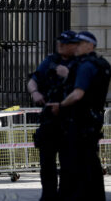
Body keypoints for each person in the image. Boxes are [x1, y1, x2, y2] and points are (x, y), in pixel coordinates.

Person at [48, 31, 111, 201]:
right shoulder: (101, 64)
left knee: (76, 165)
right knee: (91, 163)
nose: (76, 46)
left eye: (80, 44)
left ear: (90, 46)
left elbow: (78, 94)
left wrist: (60, 105)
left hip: (80, 121)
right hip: (93, 120)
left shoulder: (86, 66)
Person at [27, 30, 78, 201]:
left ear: (73, 46)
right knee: (46, 164)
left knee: (68, 165)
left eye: (65, 43)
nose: (61, 46)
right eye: (59, 43)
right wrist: (34, 92)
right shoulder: (50, 61)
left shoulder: (81, 63)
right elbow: (34, 78)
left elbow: (88, 87)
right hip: (49, 121)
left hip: (70, 121)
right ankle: (48, 196)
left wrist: (69, 75)